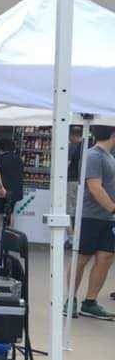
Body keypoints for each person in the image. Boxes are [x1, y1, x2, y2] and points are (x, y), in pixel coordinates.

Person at [69, 125, 115, 320]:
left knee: (105, 258)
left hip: (107, 218)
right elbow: (95, 188)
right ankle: (69, 300)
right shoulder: (94, 155)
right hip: (90, 216)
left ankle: (90, 302)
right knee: (82, 258)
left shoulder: (110, 157)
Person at [0, 139, 24, 235]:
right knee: (10, 212)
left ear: (1, 149)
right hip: (14, 191)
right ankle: (9, 239)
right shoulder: (19, 160)